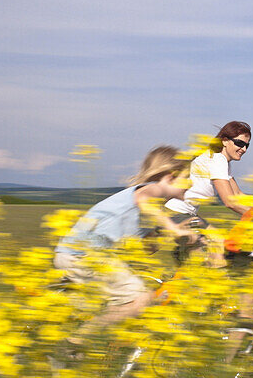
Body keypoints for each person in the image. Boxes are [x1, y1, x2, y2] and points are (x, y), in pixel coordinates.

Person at [53, 146, 201, 355]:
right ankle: (73, 343)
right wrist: (173, 228)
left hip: (75, 254)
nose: (192, 184)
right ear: (170, 176)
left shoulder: (139, 205)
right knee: (138, 300)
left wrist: (174, 231)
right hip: (84, 256)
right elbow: (145, 200)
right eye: (188, 177)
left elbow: (143, 248)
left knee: (114, 303)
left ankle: (82, 351)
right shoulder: (151, 189)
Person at [165, 121, 252, 220]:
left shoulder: (218, 159)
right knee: (216, 235)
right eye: (239, 143)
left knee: (215, 235)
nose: (244, 149)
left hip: (182, 212)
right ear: (225, 141)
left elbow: (238, 195)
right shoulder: (218, 160)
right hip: (177, 212)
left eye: (247, 145)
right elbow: (230, 202)